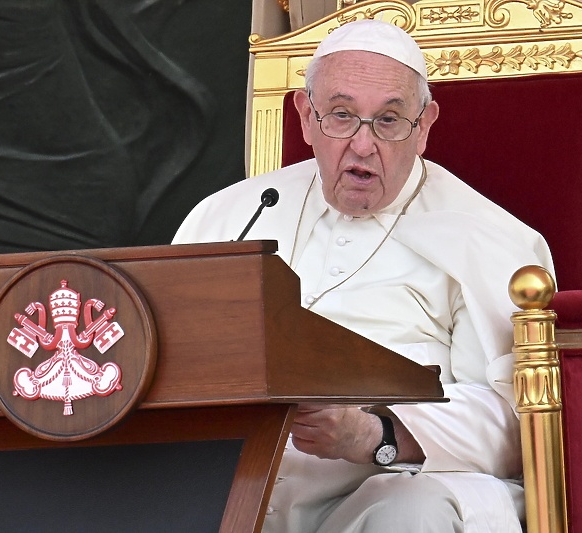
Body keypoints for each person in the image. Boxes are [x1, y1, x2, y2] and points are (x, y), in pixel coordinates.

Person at [174, 19, 553, 532]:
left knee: (412, 513)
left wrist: (373, 434)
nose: (361, 144)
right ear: (305, 117)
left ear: (424, 127)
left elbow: (518, 420)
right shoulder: (229, 216)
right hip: (227, 487)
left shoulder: (493, 240)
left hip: (381, 489)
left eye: (389, 120)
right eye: (341, 115)